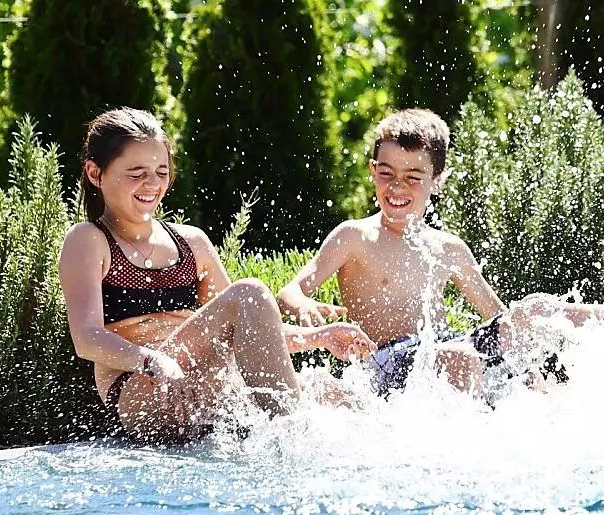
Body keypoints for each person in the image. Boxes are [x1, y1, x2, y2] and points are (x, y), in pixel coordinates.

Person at [277, 108, 604, 397]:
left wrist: (529, 366)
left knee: (534, 313)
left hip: (446, 350)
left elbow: (498, 318)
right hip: (384, 365)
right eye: (386, 174)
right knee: (456, 356)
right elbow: (289, 292)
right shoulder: (355, 236)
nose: (397, 186)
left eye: (413, 177)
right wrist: (304, 305)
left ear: (438, 180)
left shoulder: (448, 248)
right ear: (372, 171)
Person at [58, 108, 375, 442]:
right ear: (95, 173)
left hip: (204, 383)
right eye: (136, 173)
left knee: (330, 391)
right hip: (145, 392)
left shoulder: (191, 242)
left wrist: (319, 337)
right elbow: (86, 338)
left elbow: (252, 327)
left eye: (161, 172)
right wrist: (155, 361)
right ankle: (293, 442)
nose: (152, 184)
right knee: (249, 293)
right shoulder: (89, 239)